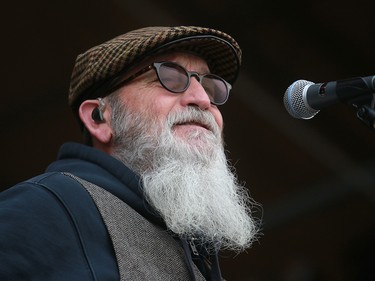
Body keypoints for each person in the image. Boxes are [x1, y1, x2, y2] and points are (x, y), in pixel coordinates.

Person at [0, 26, 259, 281]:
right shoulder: (46, 207)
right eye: (169, 77)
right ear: (99, 119)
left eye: (211, 88)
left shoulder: (195, 252)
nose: (203, 99)